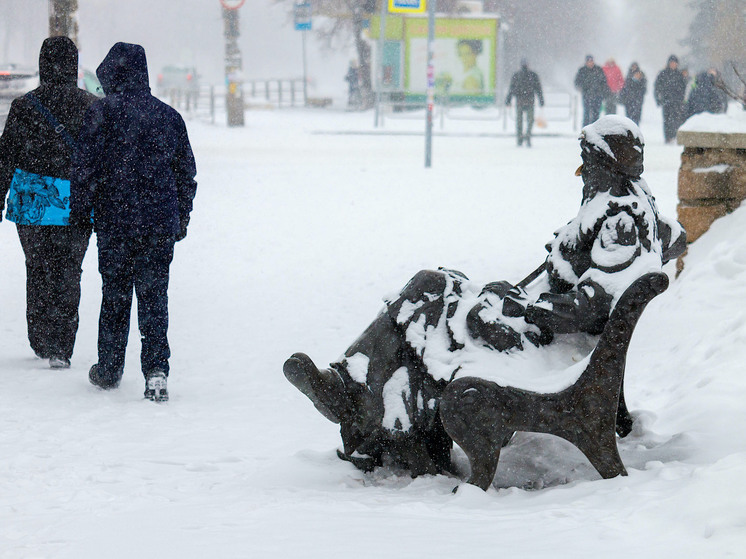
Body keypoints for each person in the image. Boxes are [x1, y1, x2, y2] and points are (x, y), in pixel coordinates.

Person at [283, 115, 686, 476]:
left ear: (604, 162)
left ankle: (357, 401)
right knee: (439, 290)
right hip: (542, 332)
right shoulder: (621, 204)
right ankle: (364, 406)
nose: (582, 173)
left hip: (545, 347)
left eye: (588, 162)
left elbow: (592, 305)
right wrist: (517, 296)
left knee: (430, 292)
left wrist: (526, 308)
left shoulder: (621, 219)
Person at [70, 42, 197, 402]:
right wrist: (180, 217)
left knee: (115, 295)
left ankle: (109, 368)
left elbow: (84, 171)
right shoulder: (169, 117)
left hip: (115, 223)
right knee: (155, 297)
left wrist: (83, 213)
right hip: (158, 225)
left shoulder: (101, 114)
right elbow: (185, 173)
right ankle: (156, 370)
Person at [0, 37, 97, 369]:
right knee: (69, 270)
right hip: (76, 200)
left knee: (38, 268)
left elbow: (5, 157)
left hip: (33, 201)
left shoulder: (25, 106)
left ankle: (41, 337)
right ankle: (62, 346)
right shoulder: (90, 106)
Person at [505, 58, 544, 147]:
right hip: (529, 101)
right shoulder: (533, 75)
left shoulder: (517, 75)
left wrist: (508, 100)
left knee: (520, 121)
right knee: (529, 121)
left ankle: (521, 138)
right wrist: (541, 100)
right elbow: (538, 89)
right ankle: (527, 136)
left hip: (520, 101)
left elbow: (511, 89)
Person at [654, 55, 688, 143]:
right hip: (666, 101)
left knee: (676, 119)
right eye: (672, 63)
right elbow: (657, 87)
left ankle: (674, 136)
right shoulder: (663, 74)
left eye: (675, 63)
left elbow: (684, 87)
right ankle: (668, 137)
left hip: (677, 102)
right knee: (667, 120)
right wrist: (658, 99)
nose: (673, 64)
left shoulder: (680, 74)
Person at [575, 55, 610, 126]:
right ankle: (585, 130)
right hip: (586, 95)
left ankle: (595, 129)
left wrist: (601, 90)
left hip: (597, 95)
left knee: (596, 113)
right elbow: (577, 82)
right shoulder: (582, 70)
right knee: (586, 113)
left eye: (591, 61)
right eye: (588, 61)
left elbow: (604, 81)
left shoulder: (598, 70)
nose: (590, 63)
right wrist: (583, 87)